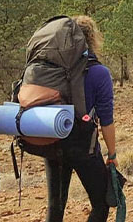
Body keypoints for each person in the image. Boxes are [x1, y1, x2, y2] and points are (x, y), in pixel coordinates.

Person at [44, 15, 117, 222]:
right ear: (92, 38)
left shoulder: (52, 70)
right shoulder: (99, 72)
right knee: (101, 204)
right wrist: (112, 153)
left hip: (53, 141)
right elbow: (106, 119)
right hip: (83, 146)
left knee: (55, 208)